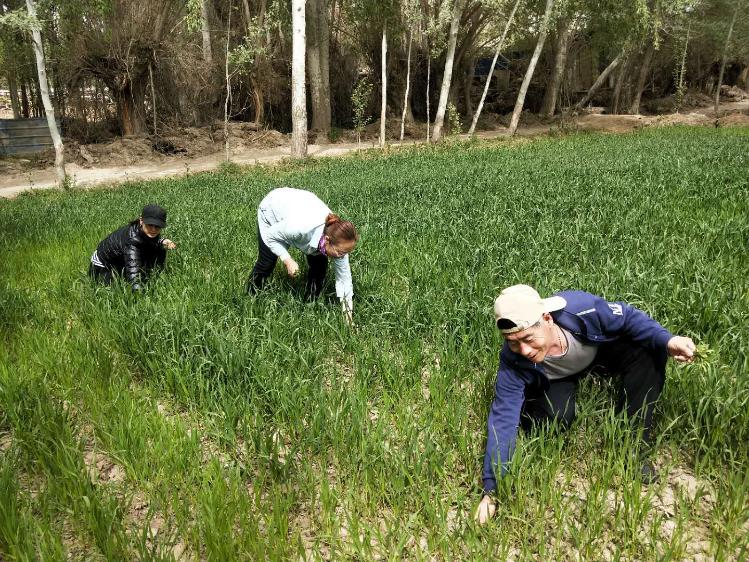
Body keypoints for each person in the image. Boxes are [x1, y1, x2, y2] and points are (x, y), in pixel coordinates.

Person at [475, 284, 695, 524]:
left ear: (547, 319)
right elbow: (503, 418)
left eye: (528, 338)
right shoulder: (513, 361)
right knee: (555, 420)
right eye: (513, 342)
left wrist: (668, 339)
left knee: (651, 349)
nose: (524, 350)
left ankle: (631, 448)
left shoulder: (582, 310)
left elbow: (629, 317)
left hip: (596, 356)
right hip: (556, 380)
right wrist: (492, 491)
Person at [246, 187, 359, 323]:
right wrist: (287, 260)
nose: (342, 256)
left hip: (301, 206)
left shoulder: (339, 242)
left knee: (319, 267)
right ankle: (249, 296)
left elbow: (344, 281)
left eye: (345, 252)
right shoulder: (300, 228)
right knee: (267, 262)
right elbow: (271, 236)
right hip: (273, 208)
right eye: (340, 252)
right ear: (327, 240)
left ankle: (309, 306)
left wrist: (349, 320)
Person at [89, 204, 177, 291]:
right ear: (141, 221)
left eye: (157, 226)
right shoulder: (132, 241)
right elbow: (133, 270)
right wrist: (138, 294)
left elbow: (147, 241)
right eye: (150, 225)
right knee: (109, 291)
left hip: (119, 261)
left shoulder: (142, 231)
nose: (153, 229)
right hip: (102, 266)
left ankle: (154, 273)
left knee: (160, 249)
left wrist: (162, 241)